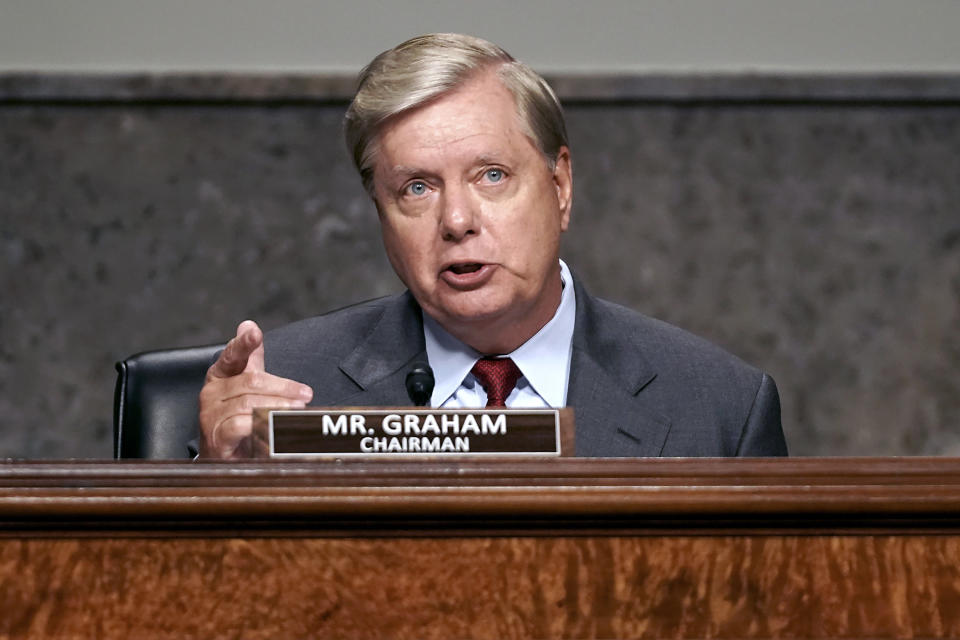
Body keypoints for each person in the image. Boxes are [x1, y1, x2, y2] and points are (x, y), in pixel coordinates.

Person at [196, 33, 787, 459]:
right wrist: (219, 486)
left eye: (492, 176)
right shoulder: (289, 390)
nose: (456, 220)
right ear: (380, 213)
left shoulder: (719, 409)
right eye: (417, 188)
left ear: (560, 187)